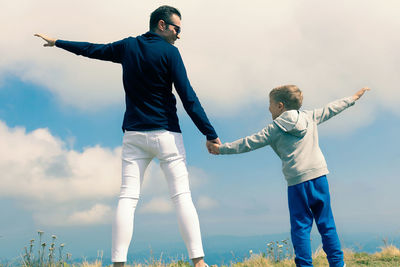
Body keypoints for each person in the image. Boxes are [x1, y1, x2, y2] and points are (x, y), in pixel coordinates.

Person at [35, 5, 219, 267]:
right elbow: (188, 97)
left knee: (127, 197)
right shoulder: (171, 53)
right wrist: (210, 134)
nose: (179, 35)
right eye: (177, 28)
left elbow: (91, 49)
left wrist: (57, 42)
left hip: (134, 135)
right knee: (181, 196)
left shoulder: (128, 47)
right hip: (166, 135)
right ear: (162, 25)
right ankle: (199, 263)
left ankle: (118, 263)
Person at [208, 85, 370, 267]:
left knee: (300, 228)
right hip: (320, 177)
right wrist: (352, 98)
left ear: (280, 106)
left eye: (270, 104)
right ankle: (338, 264)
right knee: (327, 224)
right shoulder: (310, 116)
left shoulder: (274, 128)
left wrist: (221, 149)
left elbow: (248, 143)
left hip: (298, 183)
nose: (268, 108)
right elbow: (332, 108)